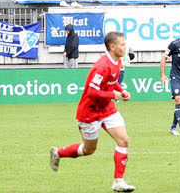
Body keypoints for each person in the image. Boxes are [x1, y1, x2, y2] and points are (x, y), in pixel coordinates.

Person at [49, 30, 134, 192]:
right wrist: (112, 94)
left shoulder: (117, 61)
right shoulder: (102, 66)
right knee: (89, 150)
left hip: (107, 109)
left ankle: (118, 181)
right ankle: (58, 153)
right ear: (112, 47)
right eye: (122, 44)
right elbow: (92, 92)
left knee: (123, 140)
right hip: (90, 112)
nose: (125, 46)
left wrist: (121, 90)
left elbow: (113, 80)